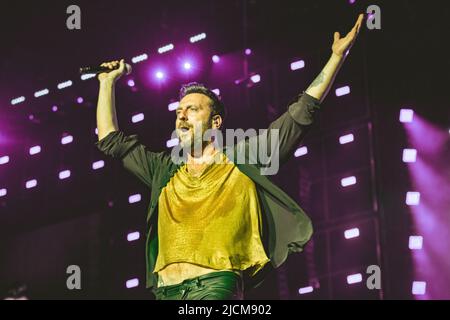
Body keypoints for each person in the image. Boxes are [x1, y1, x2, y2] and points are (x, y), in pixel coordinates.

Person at [95, 14, 364, 300]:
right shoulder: (163, 169)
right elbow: (110, 141)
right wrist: (106, 82)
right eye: (178, 112)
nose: (181, 116)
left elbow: (299, 116)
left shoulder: (242, 157)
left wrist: (336, 57)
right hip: (166, 292)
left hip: (215, 285)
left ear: (216, 123)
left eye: (192, 110)